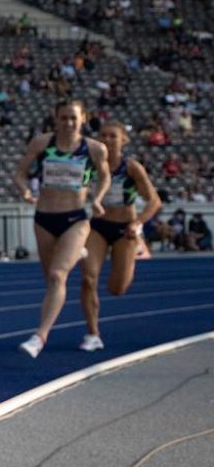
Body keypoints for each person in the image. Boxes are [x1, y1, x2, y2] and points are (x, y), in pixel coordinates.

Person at [12, 99, 110, 358]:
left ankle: (39, 337)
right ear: (56, 118)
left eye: (73, 118)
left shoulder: (94, 149)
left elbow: (105, 176)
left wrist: (97, 199)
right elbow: (20, 172)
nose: (68, 123)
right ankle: (75, 253)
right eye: (64, 117)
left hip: (76, 218)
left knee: (58, 276)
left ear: (83, 119)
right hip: (44, 218)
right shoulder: (42, 143)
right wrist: (24, 191)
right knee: (51, 281)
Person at [78, 120, 162, 352]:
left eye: (113, 136)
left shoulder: (131, 167)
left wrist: (138, 222)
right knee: (88, 278)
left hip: (125, 229)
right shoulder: (91, 165)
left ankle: (132, 254)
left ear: (123, 140)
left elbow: (154, 201)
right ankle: (93, 334)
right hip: (98, 226)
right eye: (103, 135)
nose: (107, 139)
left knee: (117, 288)